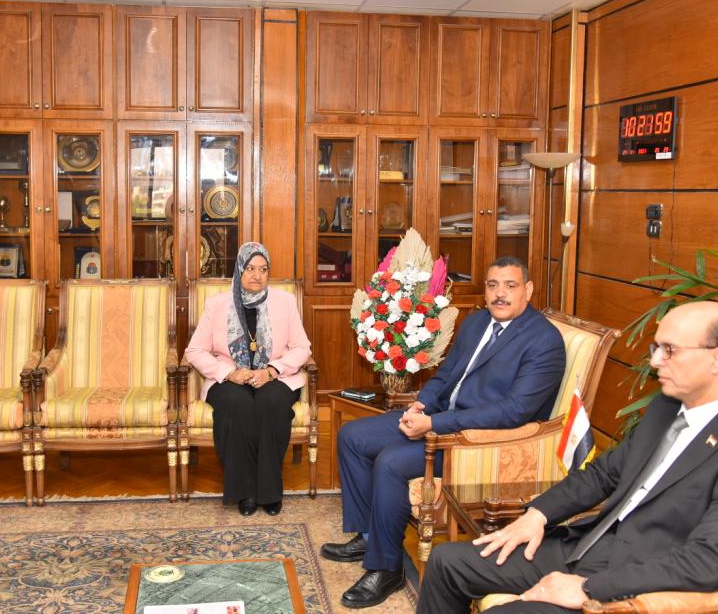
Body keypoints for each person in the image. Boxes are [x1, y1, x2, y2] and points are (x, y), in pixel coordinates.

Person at [417, 301, 718, 614]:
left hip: (637, 587)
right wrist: (537, 514)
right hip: (587, 545)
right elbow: (602, 474)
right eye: (656, 347)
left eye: (670, 350)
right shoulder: (665, 410)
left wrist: (590, 587)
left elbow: (709, 561)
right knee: (447, 562)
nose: (655, 361)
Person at [322, 256, 567, 608]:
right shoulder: (477, 322)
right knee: (353, 437)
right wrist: (421, 405)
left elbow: (513, 411)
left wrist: (435, 424)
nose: (500, 294)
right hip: (438, 418)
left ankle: (387, 568)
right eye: (493, 285)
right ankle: (370, 537)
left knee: (391, 462)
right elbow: (446, 374)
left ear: (528, 290)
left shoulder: (543, 341)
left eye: (510, 286)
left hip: (476, 443)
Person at [184, 242, 311, 517]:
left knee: (271, 403)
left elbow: (302, 348)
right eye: (250, 268)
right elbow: (194, 351)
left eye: (263, 269)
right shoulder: (217, 305)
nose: (257, 275)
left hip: (276, 376)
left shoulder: (285, 302)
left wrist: (272, 370)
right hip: (230, 377)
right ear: (239, 269)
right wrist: (229, 373)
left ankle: (270, 492)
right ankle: (246, 491)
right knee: (238, 405)